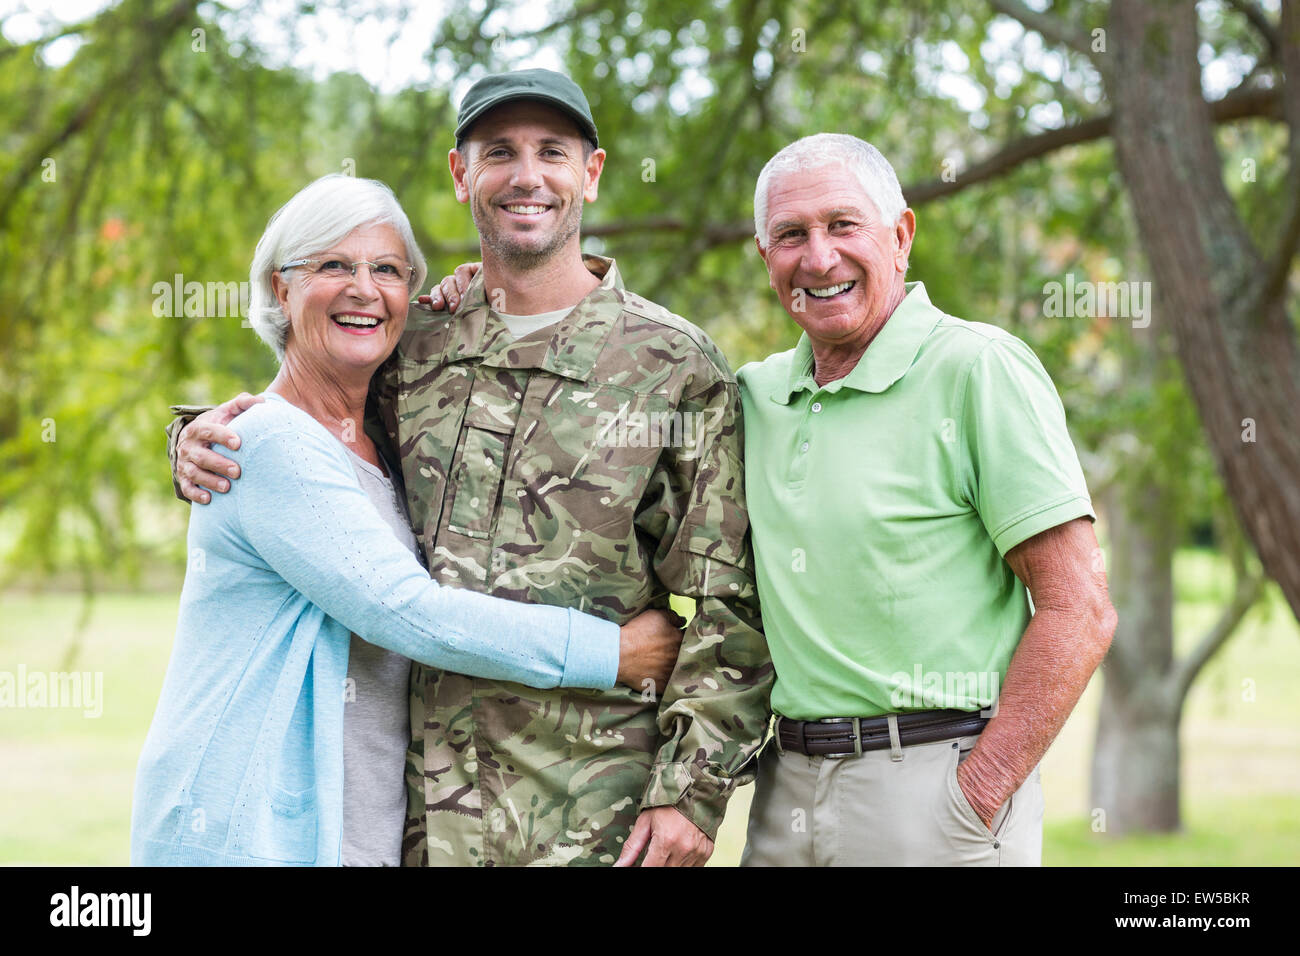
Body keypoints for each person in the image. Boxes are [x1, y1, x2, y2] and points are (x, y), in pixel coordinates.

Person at [166, 71, 772, 867]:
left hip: (594, 824)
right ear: (462, 175)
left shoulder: (671, 367)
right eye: (500, 152)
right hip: (416, 824)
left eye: (552, 151)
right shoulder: (410, 348)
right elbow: (306, 428)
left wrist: (691, 794)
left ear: (590, 173)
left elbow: (733, 601)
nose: (527, 176)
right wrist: (192, 436)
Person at [735, 133, 1117, 865]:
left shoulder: (978, 369)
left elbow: (1081, 607)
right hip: (784, 793)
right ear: (765, 257)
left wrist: (978, 791)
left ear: (901, 235)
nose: (818, 258)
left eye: (843, 225)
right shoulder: (755, 398)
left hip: (932, 793)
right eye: (790, 235)